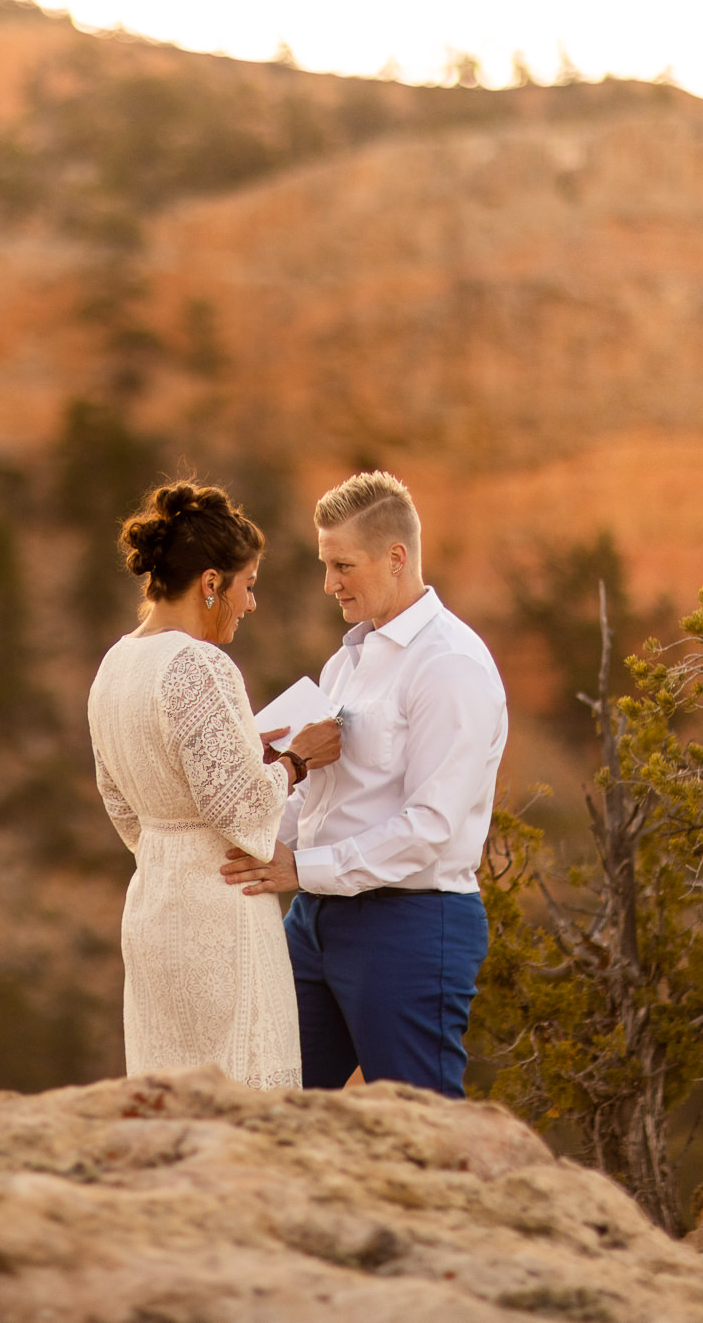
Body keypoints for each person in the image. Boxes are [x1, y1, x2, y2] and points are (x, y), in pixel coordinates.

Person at [222, 471, 506, 1098]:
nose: (330, 585)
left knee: (421, 1130)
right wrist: (261, 838)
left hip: (409, 924)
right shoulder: (345, 661)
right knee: (271, 1106)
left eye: (343, 565)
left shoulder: (449, 666)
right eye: (327, 565)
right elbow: (324, 798)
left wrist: (303, 868)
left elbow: (430, 828)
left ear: (397, 557)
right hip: (316, 922)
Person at [87, 481, 343, 1089]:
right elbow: (244, 809)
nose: (250, 603)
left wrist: (239, 767)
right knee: (242, 1088)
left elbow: (119, 799)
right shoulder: (199, 663)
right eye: (247, 585)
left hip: (153, 905)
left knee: (167, 1093)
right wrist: (296, 760)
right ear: (210, 583)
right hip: (219, 913)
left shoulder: (115, 665)